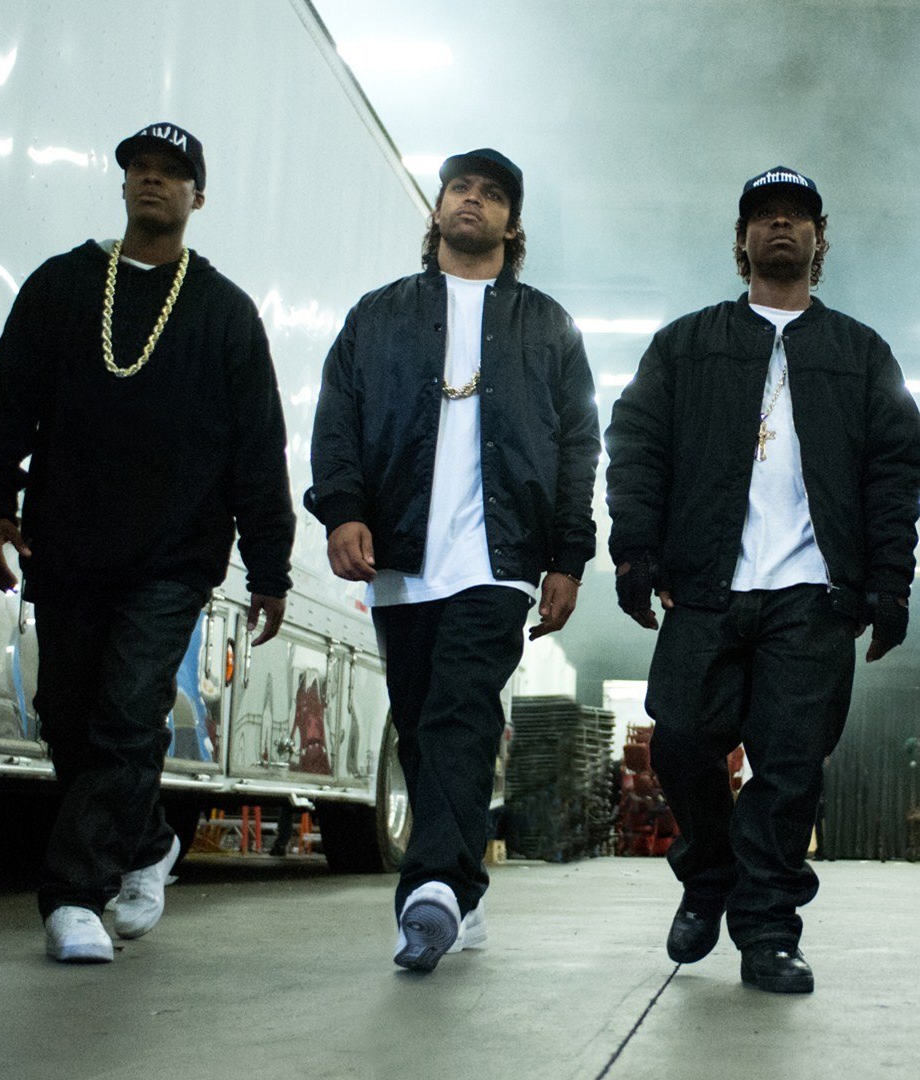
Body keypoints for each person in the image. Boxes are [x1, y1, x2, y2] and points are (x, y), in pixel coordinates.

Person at [0, 123, 294, 963]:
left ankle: (74, 898)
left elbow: (259, 448)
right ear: (123, 186)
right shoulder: (64, 285)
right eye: (140, 168)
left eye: (171, 173)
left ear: (197, 197)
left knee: (128, 712)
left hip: (172, 560)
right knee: (66, 716)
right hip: (66, 546)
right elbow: (3, 402)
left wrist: (270, 566)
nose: (153, 180)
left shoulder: (225, 312)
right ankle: (147, 841)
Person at [605, 166, 920, 994]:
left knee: (789, 771)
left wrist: (890, 584)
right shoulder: (685, 344)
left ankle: (769, 932)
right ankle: (709, 872)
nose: (781, 226)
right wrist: (636, 553)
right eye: (764, 216)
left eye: (797, 216)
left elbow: (895, 473)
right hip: (706, 585)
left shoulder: (861, 352)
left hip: (814, 595)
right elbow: (636, 447)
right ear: (742, 240)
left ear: (820, 241)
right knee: (680, 741)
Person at [306, 148, 598, 974]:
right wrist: (343, 510)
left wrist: (569, 556)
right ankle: (464, 887)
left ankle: (429, 888)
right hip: (403, 555)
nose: (474, 200)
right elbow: (338, 418)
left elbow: (579, 447)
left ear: (513, 222)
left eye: (493, 193)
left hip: (497, 559)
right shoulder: (378, 315)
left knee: (460, 713)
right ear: (437, 209)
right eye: (461, 188)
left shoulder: (549, 326)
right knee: (421, 726)